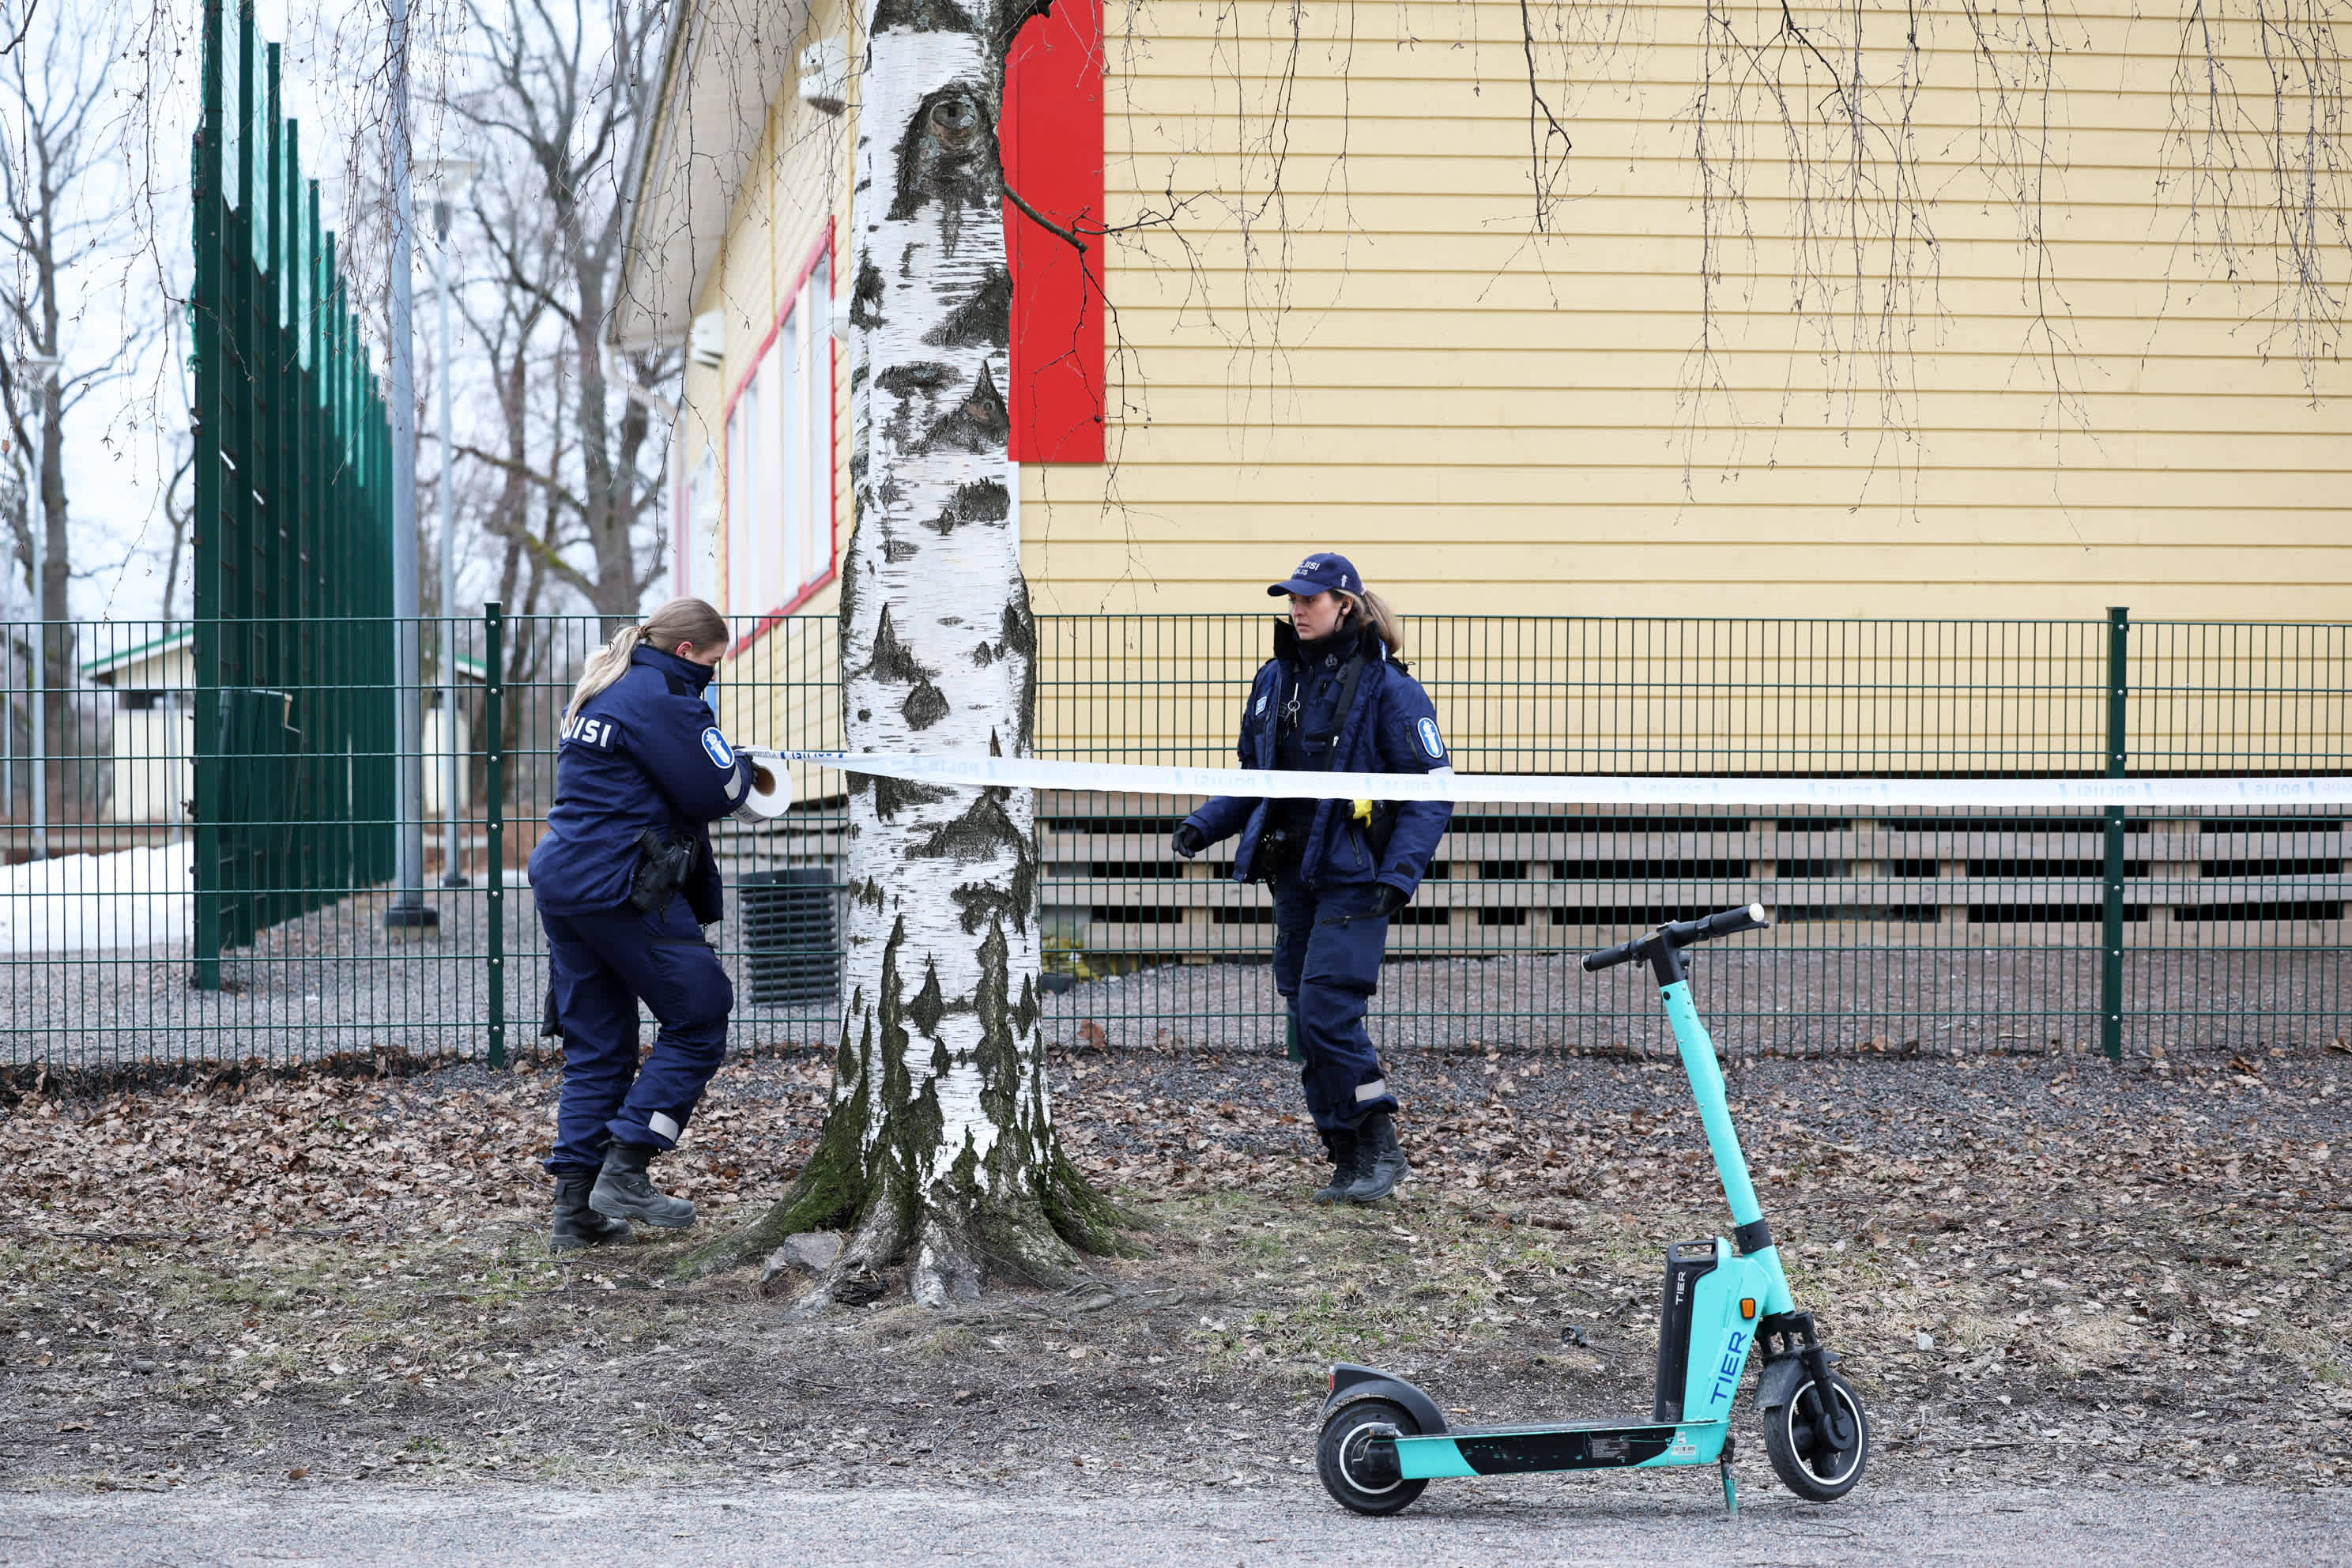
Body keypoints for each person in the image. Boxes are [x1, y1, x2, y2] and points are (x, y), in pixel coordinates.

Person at [1171, 554, 1453, 1205]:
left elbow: (1433, 794)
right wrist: (1205, 823)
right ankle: (1346, 1155)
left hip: (1357, 879)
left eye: (1311, 599)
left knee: (1328, 1011)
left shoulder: (1391, 690)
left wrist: (1399, 875)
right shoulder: (1274, 680)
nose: (1297, 609)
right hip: (1292, 876)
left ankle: (1380, 1145)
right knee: (1305, 1019)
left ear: (1345, 605)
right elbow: (1256, 781)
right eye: (1292, 599)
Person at [528, 597, 758, 1252]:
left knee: (599, 1047)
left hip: (566, 882)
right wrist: (742, 769)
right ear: (688, 651)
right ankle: (627, 1166)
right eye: (713, 663)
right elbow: (716, 793)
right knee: (700, 1012)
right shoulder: (661, 696)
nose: (713, 675)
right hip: (624, 885)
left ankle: (576, 1213)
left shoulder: (605, 688)